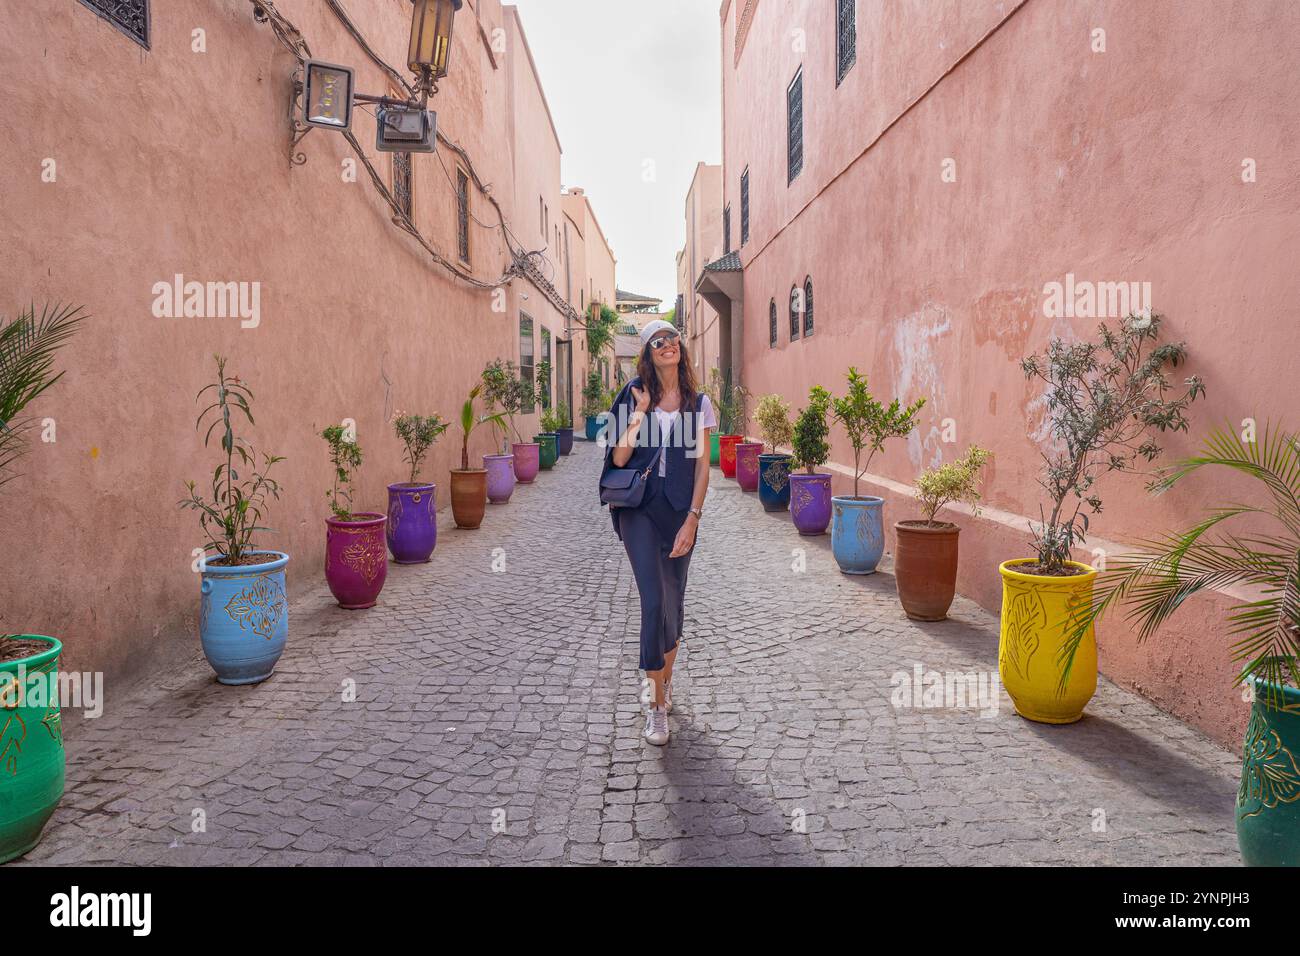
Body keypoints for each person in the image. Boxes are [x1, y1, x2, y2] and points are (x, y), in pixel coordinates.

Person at [599, 319, 715, 746]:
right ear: (648, 353)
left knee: (672, 606)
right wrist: (641, 412)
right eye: (658, 341)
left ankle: (664, 685)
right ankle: (656, 707)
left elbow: (703, 466)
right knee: (652, 601)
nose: (669, 345)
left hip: (679, 513)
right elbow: (619, 453)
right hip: (639, 510)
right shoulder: (632, 395)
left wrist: (693, 518)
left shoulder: (698, 404)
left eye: (673, 338)